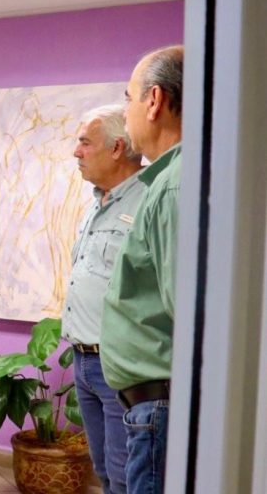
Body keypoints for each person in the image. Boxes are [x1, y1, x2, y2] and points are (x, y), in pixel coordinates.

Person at [100, 45, 184, 494]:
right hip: (154, 406)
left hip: (161, 406)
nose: (126, 111)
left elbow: (186, 311)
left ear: (154, 101)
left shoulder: (173, 187)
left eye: (128, 98)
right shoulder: (171, 179)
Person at [62, 104, 145, 494]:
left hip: (120, 365)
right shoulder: (95, 204)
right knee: (104, 471)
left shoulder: (147, 202)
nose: (76, 152)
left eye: (84, 142)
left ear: (116, 148)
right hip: (84, 361)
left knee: (126, 476)